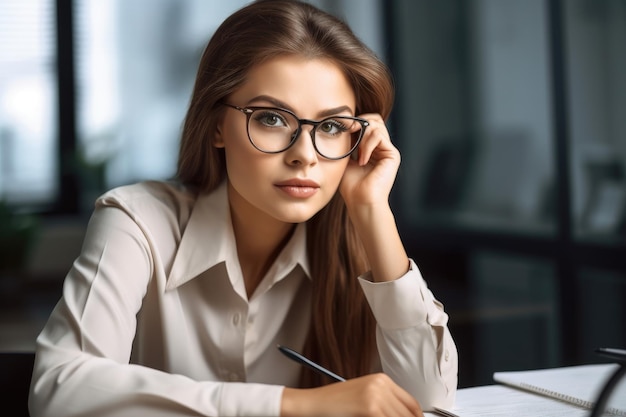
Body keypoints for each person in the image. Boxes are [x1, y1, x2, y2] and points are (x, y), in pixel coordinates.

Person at [28, 1, 458, 416]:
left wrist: (371, 210)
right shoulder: (137, 221)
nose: (304, 155)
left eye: (329, 127)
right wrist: (293, 406)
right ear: (217, 125)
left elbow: (431, 403)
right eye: (272, 118)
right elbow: (59, 388)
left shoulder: (355, 247)